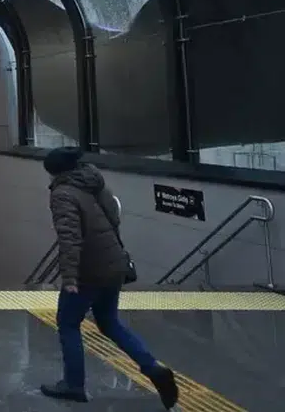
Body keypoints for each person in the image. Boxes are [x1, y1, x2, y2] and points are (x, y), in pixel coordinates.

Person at [40, 147, 179, 408]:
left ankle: (73, 385)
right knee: (110, 322)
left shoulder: (63, 193)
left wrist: (69, 278)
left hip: (89, 270)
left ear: (56, 172)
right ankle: (152, 367)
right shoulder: (93, 181)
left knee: (68, 323)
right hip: (113, 263)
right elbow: (113, 217)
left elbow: (70, 238)